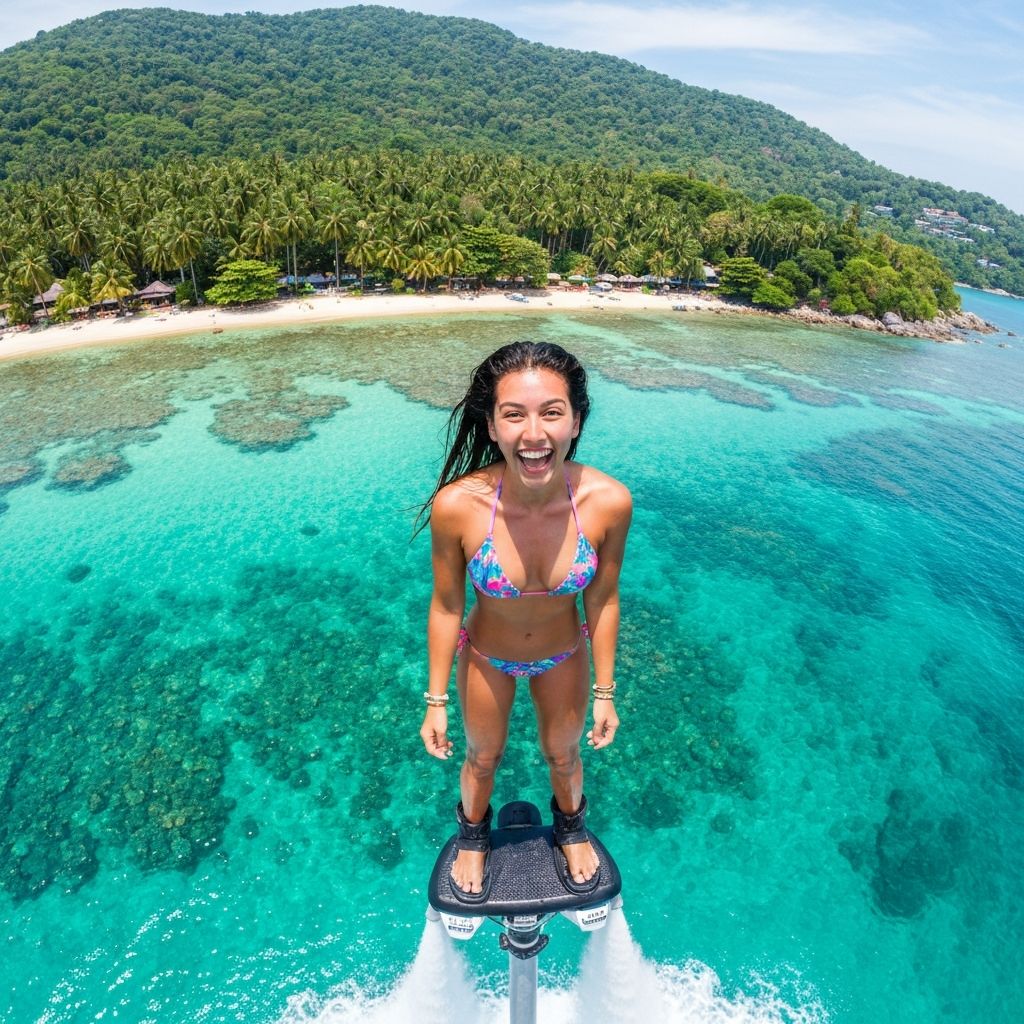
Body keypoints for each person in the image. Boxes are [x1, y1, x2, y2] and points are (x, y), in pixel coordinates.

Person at [417, 341, 632, 903]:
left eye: (551, 412)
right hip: (487, 656)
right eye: (514, 414)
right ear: (492, 426)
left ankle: (571, 830)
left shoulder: (608, 502)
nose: (533, 434)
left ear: (576, 421)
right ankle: (472, 837)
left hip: (564, 655)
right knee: (481, 757)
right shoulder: (459, 506)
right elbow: (446, 606)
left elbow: (604, 601)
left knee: (564, 755)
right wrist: (435, 701)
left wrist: (606, 692)